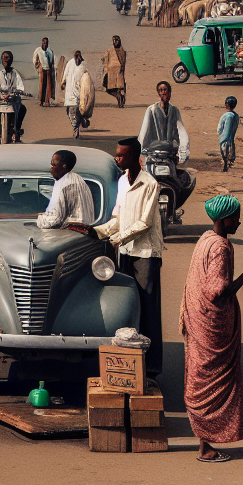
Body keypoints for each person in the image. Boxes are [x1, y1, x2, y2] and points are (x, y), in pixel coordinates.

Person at [179, 194, 243, 460]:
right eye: (235, 217)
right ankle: (206, 447)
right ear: (224, 218)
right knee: (211, 383)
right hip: (211, 326)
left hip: (198, 319)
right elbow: (219, 291)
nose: (239, 222)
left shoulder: (206, 239)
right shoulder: (220, 247)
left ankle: (221, 436)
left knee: (203, 377)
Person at [95, 136, 164, 374]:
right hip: (125, 251)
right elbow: (117, 218)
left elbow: (144, 223)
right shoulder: (122, 182)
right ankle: (128, 363)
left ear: (134, 157)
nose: (117, 158)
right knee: (127, 308)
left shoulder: (150, 184)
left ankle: (152, 366)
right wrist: (96, 232)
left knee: (148, 310)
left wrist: (115, 240)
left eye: (121, 155)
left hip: (145, 254)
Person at [37, 149, 95, 228]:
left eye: (53, 164)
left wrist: (39, 220)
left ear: (63, 166)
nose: (51, 167)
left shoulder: (64, 185)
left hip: (70, 233)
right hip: (83, 231)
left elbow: (55, 219)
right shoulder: (78, 179)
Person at [138, 80, 190, 163]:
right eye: (161, 90)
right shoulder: (152, 110)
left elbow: (181, 131)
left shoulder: (174, 110)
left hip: (169, 151)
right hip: (154, 151)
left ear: (170, 93)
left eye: (165, 90)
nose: (163, 92)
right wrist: (140, 152)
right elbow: (143, 132)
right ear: (158, 93)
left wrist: (183, 151)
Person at [62, 50, 90, 139]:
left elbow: (87, 81)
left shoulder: (83, 66)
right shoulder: (70, 63)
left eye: (78, 57)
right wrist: (63, 82)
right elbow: (65, 74)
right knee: (70, 112)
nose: (77, 59)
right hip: (69, 92)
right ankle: (83, 122)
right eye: (76, 56)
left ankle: (75, 129)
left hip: (78, 94)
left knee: (73, 113)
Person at [103, 35, 127, 108]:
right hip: (112, 71)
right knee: (111, 88)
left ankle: (119, 98)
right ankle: (119, 97)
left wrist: (106, 71)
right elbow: (106, 61)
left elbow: (106, 62)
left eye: (117, 40)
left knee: (112, 88)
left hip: (115, 71)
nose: (116, 42)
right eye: (115, 41)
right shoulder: (111, 51)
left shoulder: (120, 51)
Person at [218, 96, 239, 171]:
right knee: (231, 151)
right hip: (231, 138)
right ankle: (229, 164)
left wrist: (222, 138)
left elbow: (220, 128)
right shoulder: (236, 115)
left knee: (225, 153)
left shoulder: (226, 116)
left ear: (227, 104)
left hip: (225, 138)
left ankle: (225, 166)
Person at [33, 37, 55, 106]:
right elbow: (34, 60)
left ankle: (47, 101)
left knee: (48, 86)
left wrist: (51, 70)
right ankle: (41, 101)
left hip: (48, 69)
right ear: (42, 42)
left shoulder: (49, 51)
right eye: (44, 43)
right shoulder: (38, 50)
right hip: (41, 69)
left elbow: (52, 61)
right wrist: (37, 68)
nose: (45, 44)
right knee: (42, 85)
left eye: (46, 43)